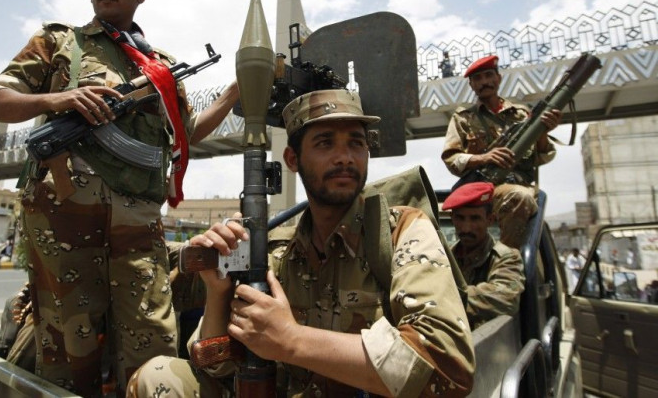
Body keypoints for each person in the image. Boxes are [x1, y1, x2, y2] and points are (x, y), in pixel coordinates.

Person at [0, 0, 239, 396]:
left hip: (137, 220)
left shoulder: (160, 67)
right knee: (68, 342)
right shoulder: (61, 42)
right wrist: (59, 98)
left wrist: (235, 92)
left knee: (152, 339)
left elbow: (187, 132)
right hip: (65, 219)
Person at [128, 89, 475, 397]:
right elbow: (215, 367)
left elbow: (446, 369)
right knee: (159, 376)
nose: (345, 157)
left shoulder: (400, 231)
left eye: (356, 142)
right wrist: (218, 294)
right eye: (325, 143)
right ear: (292, 160)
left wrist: (291, 341)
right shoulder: (279, 251)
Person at [441, 54, 562, 248]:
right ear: (471, 85)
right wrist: (483, 158)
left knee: (520, 197)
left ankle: (509, 264)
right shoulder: (463, 118)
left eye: (489, 75)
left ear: (498, 78)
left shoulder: (522, 115)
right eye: (477, 79)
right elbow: (451, 159)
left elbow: (543, 157)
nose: (484, 82)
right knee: (518, 197)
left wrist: (542, 131)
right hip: (482, 191)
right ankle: (506, 264)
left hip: (518, 186)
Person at [443, 181, 524, 329]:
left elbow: (507, 296)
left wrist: (444, 298)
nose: (466, 228)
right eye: (460, 218)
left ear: (490, 220)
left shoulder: (507, 257)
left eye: (475, 218)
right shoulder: (443, 257)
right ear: (452, 219)